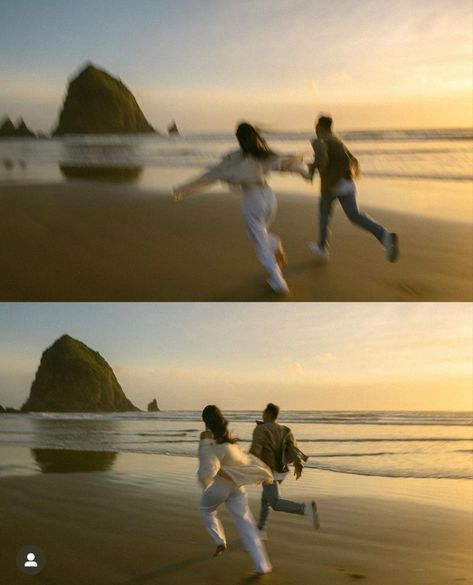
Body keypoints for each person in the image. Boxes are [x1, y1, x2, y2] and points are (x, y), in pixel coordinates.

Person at [172, 122, 310, 295]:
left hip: (252, 201)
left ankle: (278, 280)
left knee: (259, 244)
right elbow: (288, 164)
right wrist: (306, 174)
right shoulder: (265, 155)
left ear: (239, 140)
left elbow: (209, 176)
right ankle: (274, 245)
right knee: (262, 234)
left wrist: (182, 190)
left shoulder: (233, 159)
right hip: (269, 198)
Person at [308, 115, 399, 263]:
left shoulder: (321, 139)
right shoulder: (337, 140)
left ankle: (322, 248)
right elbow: (351, 160)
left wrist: (312, 169)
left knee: (324, 215)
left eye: (316, 125)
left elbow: (322, 159)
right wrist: (316, 167)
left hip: (332, 185)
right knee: (354, 215)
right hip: (348, 183)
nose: (315, 128)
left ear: (320, 126)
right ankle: (385, 236)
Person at [198, 405, 273, 575]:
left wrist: (205, 481)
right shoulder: (230, 441)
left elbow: (208, 467)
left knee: (205, 510)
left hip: (219, 485)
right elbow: (245, 461)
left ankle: (219, 540)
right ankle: (262, 565)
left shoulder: (208, 439)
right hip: (237, 488)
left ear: (205, 421)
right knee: (247, 524)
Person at [249, 403, 320, 537]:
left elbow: (255, 450)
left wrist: (246, 466)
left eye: (264, 412)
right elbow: (294, 449)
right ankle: (261, 530)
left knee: (274, 503)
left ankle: (305, 508)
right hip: (281, 471)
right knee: (266, 500)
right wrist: (298, 463)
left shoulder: (261, 429)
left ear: (267, 414)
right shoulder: (285, 430)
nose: (262, 414)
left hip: (268, 470)